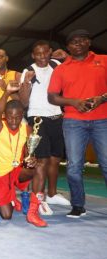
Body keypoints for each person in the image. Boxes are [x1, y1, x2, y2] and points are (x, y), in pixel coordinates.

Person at [48, 29, 107, 218]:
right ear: (68, 47)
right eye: (74, 42)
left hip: (102, 119)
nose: (78, 44)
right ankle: (78, 205)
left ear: (89, 42)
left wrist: (102, 98)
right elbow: (52, 97)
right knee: (73, 166)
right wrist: (74, 102)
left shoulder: (104, 60)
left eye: (82, 40)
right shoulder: (61, 68)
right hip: (74, 121)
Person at [18, 40, 70, 216]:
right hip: (38, 118)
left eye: (44, 53)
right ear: (33, 55)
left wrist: (66, 56)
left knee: (56, 159)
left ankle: (52, 194)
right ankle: (37, 200)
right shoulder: (28, 70)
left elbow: (74, 65)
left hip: (57, 117)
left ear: (50, 52)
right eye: (37, 54)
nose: (41, 57)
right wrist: (26, 82)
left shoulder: (57, 65)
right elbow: (24, 101)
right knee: (42, 161)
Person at [0, 81, 47, 227]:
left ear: (22, 115)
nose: (13, 120)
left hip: (17, 171)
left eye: (17, 117)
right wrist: (7, 92)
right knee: (7, 215)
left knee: (40, 167)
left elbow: (29, 152)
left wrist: (32, 159)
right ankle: (10, 197)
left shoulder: (26, 128)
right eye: (9, 116)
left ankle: (32, 212)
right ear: (4, 115)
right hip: (1, 173)